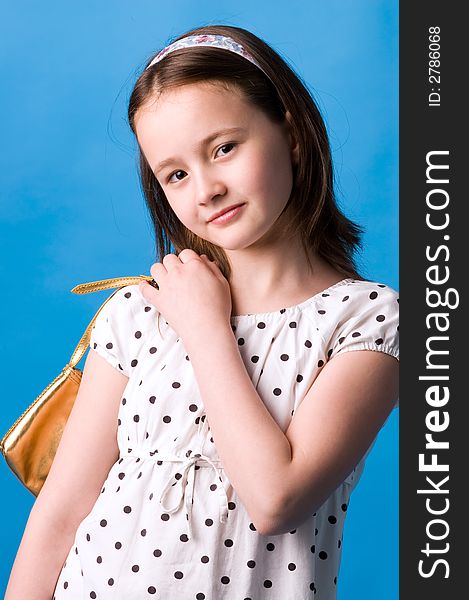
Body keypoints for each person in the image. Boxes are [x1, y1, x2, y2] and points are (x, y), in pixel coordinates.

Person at [5, 24, 399, 600]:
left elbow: (276, 500)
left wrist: (206, 328)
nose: (207, 189)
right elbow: (61, 511)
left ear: (289, 133)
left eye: (224, 148)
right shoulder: (141, 311)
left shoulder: (367, 321)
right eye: (176, 174)